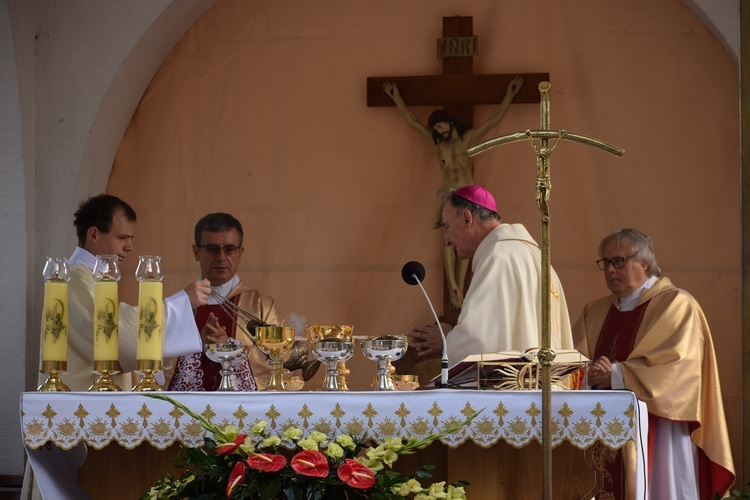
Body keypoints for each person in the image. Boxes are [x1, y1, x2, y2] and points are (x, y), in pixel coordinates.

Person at [573, 228, 735, 499]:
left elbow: (678, 368)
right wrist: (589, 373)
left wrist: (614, 374)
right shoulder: (595, 311)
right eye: (606, 263)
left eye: (618, 262)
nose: (610, 270)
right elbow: (575, 360)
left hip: (660, 427)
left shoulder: (677, 304)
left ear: (644, 263)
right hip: (602, 426)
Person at [37, 194, 210, 391]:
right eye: (122, 238)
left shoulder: (90, 278)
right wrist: (179, 304)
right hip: (84, 405)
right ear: (93, 235)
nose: (129, 247)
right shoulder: (78, 281)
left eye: (130, 238)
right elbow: (122, 340)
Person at [396, 185, 573, 372]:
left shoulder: (497, 258)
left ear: (467, 218)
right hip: (539, 388)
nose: (446, 240)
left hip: (512, 393)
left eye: (447, 227)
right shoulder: (535, 255)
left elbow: (479, 343)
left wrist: (446, 341)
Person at [382, 76, 524, 309]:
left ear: (449, 122)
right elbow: (413, 123)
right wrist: (396, 97)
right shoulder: (439, 145)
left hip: (469, 195)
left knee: (468, 236)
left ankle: (459, 283)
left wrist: (510, 93)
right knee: (448, 237)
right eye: (436, 128)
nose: (438, 130)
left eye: (441, 125)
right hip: (449, 195)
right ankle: (453, 286)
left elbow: (493, 121)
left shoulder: (468, 139)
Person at [168, 212, 282, 391]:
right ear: (196, 252)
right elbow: (160, 361)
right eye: (213, 248)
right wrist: (197, 345)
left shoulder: (261, 305)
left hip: (243, 413)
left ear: (240, 252)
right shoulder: (180, 305)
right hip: (190, 412)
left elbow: (275, 364)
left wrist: (229, 349)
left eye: (229, 249)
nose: (221, 257)